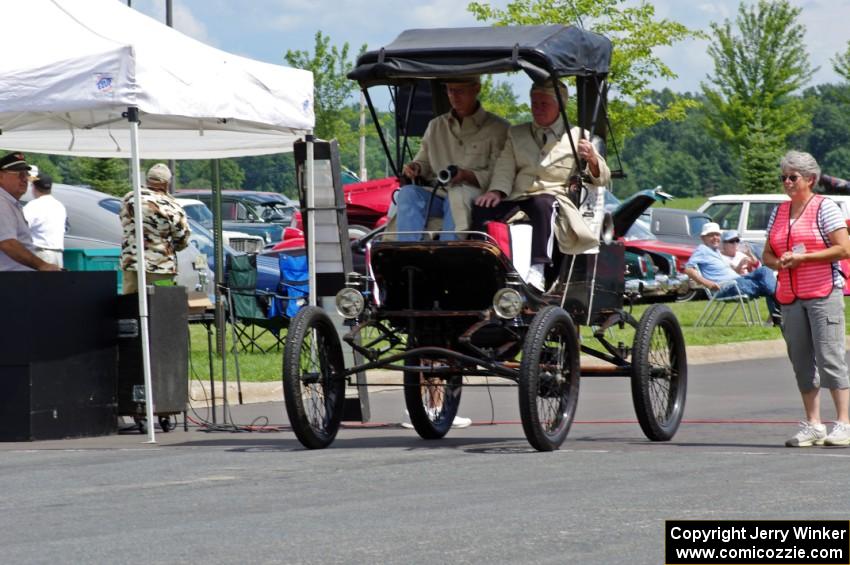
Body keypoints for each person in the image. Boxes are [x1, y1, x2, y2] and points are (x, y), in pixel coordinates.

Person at [471, 80, 610, 291]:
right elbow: (505, 167)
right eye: (534, 103)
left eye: (544, 104)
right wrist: (496, 191)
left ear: (560, 106)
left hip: (554, 201)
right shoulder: (517, 134)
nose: (537, 109)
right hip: (518, 198)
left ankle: (538, 270)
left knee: (542, 204)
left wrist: (591, 159)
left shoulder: (579, 137)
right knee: (482, 207)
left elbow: (602, 179)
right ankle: (482, 269)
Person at [763, 150, 850, 447]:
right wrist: (781, 262)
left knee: (830, 357)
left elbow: (844, 249)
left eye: (793, 177)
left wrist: (806, 258)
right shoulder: (779, 212)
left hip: (823, 291)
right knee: (801, 361)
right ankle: (814, 424)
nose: (786, 182)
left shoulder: (825, 208)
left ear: (810, 179)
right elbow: (767, 254)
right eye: (783, 177)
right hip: (789, 295)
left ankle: (843, 423)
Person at [394, 76, 509, 241]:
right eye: (450, 90)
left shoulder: (498, 128)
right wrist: (416, 168)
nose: (454, 96)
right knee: (408, 193)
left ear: (476, 89)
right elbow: (424, 161)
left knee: (457, 194)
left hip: (475, 195)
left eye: (460, 91)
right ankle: (406, 252)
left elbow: (502, 172)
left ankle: (448, 251)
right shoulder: (435, 126)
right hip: (440, 193)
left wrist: (466, 175)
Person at [683, 222, 781, 326]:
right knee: (770, 285)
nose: (715, 237)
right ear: (703, 238)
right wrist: (707, 283)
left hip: (738, 281)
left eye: (717, 234)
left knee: (765, 271)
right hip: (727, 287)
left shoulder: (716, 252)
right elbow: (688, 269)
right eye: (711, 235)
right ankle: (779, 311)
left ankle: (777, 314)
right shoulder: (702, 250)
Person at [120, 163, 190, 294]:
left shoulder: (129, 198)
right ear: (166, 183)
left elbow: (124, 221)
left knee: (130, 307)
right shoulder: (171, 205)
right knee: (160, 307)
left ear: (147, 180)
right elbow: (182, 238)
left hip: (131, 262)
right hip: (160, 266)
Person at [0, 152, 62, 272]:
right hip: (9, 281)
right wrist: (42, 265)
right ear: (1, 177)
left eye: (26, 175)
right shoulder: (2, 203)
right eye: (19, 175)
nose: (25, 179)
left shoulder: (10, 203)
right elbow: (7, 243)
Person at [23, 173, 67, 268]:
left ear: (34, 187)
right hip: (58, 255)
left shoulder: (33, 205)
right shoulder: (59, 206)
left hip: (41, 254)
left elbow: (22, 228)